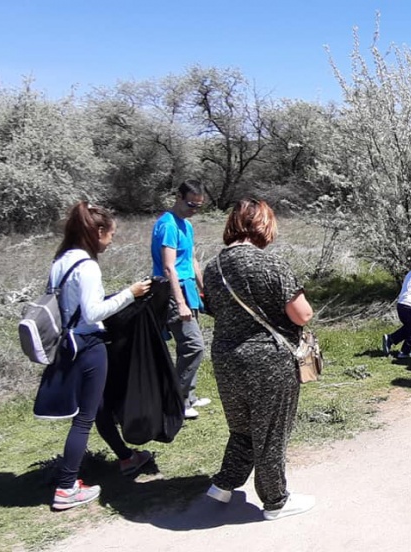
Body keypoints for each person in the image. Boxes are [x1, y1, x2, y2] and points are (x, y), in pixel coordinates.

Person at [201, 199, 316, 520]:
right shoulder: (270, 263)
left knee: (243, 427)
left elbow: (214, 309)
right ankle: (275, 500)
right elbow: (302, 314)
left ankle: (224, 484)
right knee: (271, 431)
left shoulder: (213, 267)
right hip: (268, 359)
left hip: (226, 357)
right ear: (263, 226)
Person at [45, 201, 152, 510]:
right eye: (111, 235)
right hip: (89, 346)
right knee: (85, 419)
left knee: (100, 408)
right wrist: (130, 294)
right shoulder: (88, 266)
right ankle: (66, 486)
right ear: (98, 231)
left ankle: (126, 457)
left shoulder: (60, 261)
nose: (111, 241)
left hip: (67, 344)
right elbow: (93, 312)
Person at [151, 179, 208, 419]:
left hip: (188, 289)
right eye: (190, 204)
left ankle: (189, 396)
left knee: (189, 346)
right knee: (194, 346)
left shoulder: (187, 225)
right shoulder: (168, 225)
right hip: (174, 291)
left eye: (198, 206)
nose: (193, 210)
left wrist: (204, 289)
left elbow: (192, 260)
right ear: (178, 197)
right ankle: (176, 402)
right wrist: (181, 302)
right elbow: (168, 267)